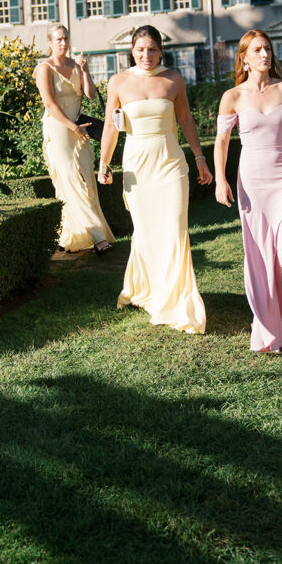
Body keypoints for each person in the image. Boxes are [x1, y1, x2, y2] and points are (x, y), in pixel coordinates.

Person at [98, 25, 212, 334]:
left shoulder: (173, 79)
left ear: (160, 50)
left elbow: (185, 119)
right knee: (147, 232)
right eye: (140, 49)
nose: (145, 55)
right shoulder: (118, 81)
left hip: (171, 165)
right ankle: (149, 289)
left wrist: (200, 158)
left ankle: (176, 302)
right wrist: (103, 163)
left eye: (151, 49)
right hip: (138, 166)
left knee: (175, 230)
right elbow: (111, 125)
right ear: (131, 51)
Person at [213, 29, 282, 353]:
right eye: (258, 50)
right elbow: (221, 141)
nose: (265, 54)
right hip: (252, 182)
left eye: (268, 49)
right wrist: (220, 179)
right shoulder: (232, 97)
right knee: (261, 254)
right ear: (244, 57)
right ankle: (275, 317)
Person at [35, 23, 114, 254]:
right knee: (69, 180)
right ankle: (99, 238)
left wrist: (85, 70)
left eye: (66, 38)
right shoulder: (44, 69)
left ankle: (68, 236)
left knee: (86, 180)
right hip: (59, 129)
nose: (63, 43)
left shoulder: (76, 65)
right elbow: (49, 104)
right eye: (58, 39)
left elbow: (89, 95)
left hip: (81, 128)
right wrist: (72, 126)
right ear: (49, 42)